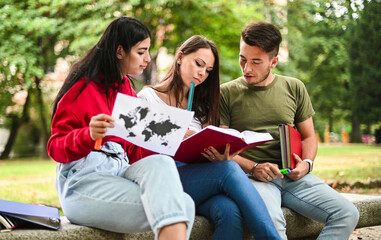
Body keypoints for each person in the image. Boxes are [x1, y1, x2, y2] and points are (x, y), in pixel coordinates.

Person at [47, 16, 195, 240]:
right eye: (141, 51)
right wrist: (87, 135)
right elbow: (55, 148)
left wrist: (177, 139)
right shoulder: (83, 88)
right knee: (181, 208)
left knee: (179, 194)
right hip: (84, 183)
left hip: (119, 173)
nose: (147, 59)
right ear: (119, 52)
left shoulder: (125, 87)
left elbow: (135, 151)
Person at [219, 21, 360, 239]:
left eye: (256, 62)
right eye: (243, 59)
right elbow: (222, 150)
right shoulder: (225, 93)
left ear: (274, 61)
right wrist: (254, 167)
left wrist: (306, 164)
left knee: (347, 213)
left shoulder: (294, 87)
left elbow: (309, 136)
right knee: (273, 224)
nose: (247, 68)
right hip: (254, 179)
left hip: (295, 177)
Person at [138, 35, 280, 240]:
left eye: (208, 70)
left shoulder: (200, 106)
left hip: (196, 180)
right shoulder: (147, 98)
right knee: (229, 169)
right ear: (179, 57)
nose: (202, 73)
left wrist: (218, 153)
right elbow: (137, 152)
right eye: (199, 64)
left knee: (229, 211)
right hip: (164, 180)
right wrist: (173, 133)